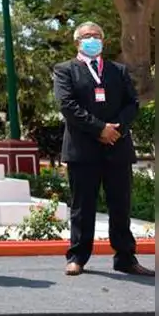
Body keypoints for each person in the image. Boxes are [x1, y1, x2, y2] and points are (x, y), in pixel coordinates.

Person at [53, 22, 154, 277]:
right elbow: (67, 105)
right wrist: (100, 129)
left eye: (97, 36)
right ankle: (77, 257)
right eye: (87, 36)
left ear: (103, 41)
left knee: (120, 205)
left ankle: (125, 258)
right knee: (82, 206)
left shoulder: (117, 70)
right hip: (82, 150)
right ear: (77, 42)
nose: (92, 39)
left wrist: (115, 130)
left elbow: (132, 103)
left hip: (117, 148)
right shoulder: (65, 70)